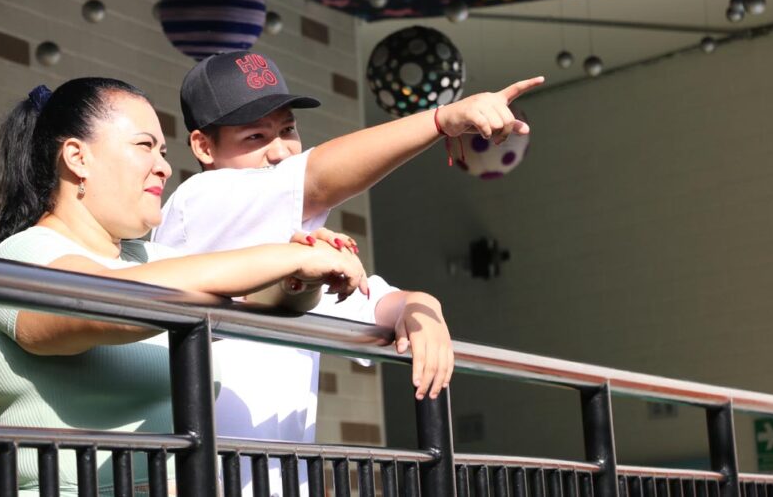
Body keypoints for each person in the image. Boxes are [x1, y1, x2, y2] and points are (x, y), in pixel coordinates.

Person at [153, 50, 543, 495]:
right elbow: (318, 179)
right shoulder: (196, 203)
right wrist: (441, 120)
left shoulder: (293, 246)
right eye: (255, 136)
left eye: (287, 130)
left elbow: (373, 305)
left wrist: (420, 306)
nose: (280, 151)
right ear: (204, 147)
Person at [0, 78, 370, 497]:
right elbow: (110, 304)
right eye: (144, 146)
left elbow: (251, 302)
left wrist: (302, 277)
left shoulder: (151, 261)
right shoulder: (23, 255)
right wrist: (288, 257)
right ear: (77, 157)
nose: (163, 166)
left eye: (162, 151)